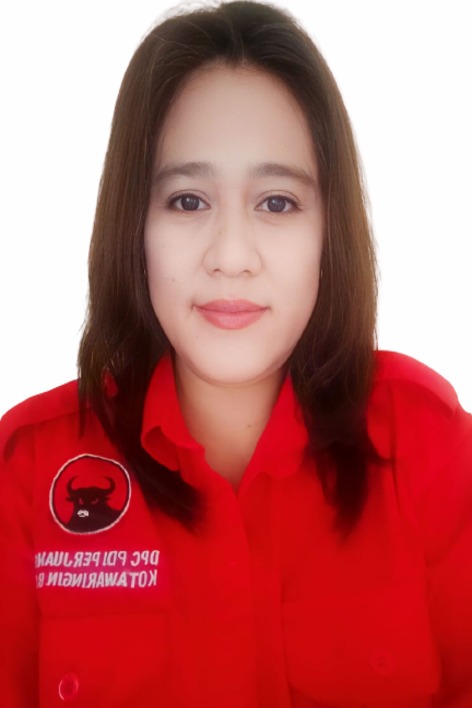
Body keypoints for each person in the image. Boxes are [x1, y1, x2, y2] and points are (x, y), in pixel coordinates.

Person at [0, 1, 471, 706]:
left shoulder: (430, 447)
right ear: (134, 224)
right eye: (187, 201)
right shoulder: (26, 471)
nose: (230, 256)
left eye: (277, 203)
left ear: (330, 232)